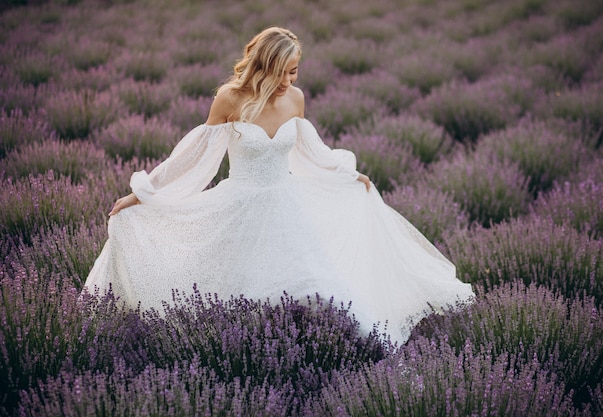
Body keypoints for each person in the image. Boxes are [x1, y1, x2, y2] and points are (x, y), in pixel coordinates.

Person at [85, 27, 474, 344]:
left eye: (296, 71)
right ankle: (241, 353)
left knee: (319, 284)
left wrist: (349, 175)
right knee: (237, 293)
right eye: (283, 72)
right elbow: (192, 155)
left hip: (288, 206)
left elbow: (310, 149)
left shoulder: (296, 100)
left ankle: (344, 347)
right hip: (240, 208)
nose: (290, 80)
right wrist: (144, 193)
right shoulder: (230, 99)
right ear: (263, 67)